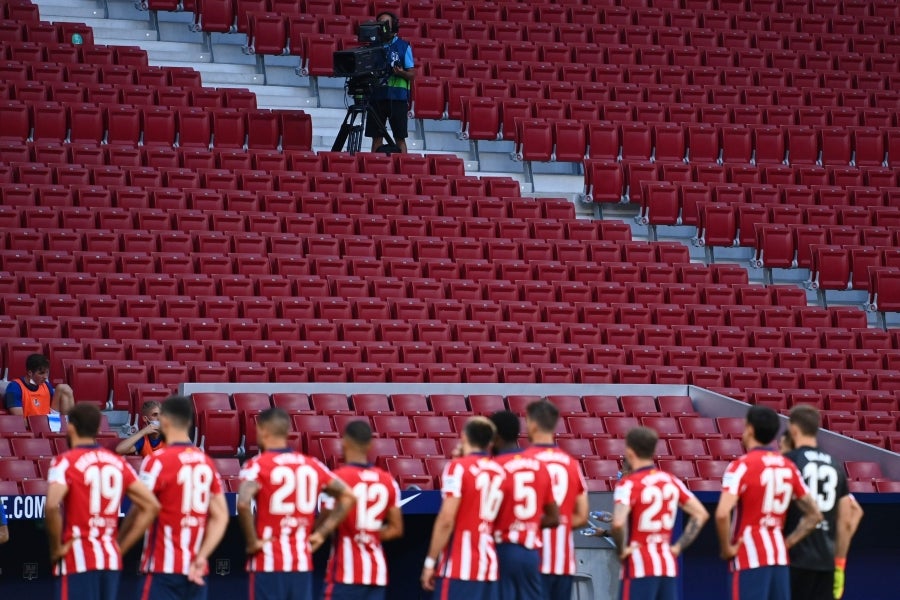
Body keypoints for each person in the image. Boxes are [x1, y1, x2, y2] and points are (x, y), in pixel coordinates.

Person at [238, 408, 356, 600]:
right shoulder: (312, 465)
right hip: (301, 562)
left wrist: (252, 542)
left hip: (268, 561)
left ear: (264, 430)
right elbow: (348, 496)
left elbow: (243, 504)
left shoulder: (257, 465)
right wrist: (321, 533)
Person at [45, 403, 160, 600]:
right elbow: (151, 505)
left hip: (77, 557)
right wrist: (121, 545)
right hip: (110, 559)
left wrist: (56, 548)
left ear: (71, 428)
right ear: (98, 429)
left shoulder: (65, 461)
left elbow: (51, 506)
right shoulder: (117, 462)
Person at [715, 405, 824, 600]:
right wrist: (787, 543)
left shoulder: (741, 466)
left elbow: (723, 513)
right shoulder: (788, 466)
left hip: (749, 556)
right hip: (779, 557)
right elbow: (815, 514)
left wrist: (726, 549)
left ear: (749, 429)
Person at [131, 395, 229, 600]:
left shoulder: (156, 462)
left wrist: (121, 547)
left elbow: (141, 511)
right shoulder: (206, 463)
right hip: (197, 569)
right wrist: (202, 556)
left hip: (162, 569)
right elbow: (221, 516)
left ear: (165, 421)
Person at [610, 427, 709, 600]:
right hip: (667, 565)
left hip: (638, 564)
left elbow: (618, 524)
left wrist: (622, 550)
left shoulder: (628, 484)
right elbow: (701, 514)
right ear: (654, 451)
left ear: (629, 451)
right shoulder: (671, 480)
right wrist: (678, 546)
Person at [420, 417, 505, 600]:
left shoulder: (457, 467)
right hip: (489, 566)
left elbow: (446, 520)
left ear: (463, 436)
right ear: (490, 442)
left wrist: (429, 562)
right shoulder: (500, 471)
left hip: (459, 567)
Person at [784, 405, 864, 600]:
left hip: (794, 558)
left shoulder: (789, 461)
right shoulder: (835, 464)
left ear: (794, 429)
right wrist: (839, 563)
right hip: (826, 561)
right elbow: (846, 521)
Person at [321, 421, 404, 600]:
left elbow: (323, 523)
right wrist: (369, 533)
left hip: (345, 572)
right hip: (376, 573)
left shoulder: (337, 479)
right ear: (370, 445)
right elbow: (396, 529)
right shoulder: (388, 480)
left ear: (344, 442)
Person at [488, 410, 559, 600]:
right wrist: (527, 524)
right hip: (530, 553)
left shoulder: (494, 467)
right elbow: (554, 518)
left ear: (495, 436)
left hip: (501, 550)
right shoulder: (539, 466)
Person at [525, 400, 589, 600]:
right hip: (563, 562)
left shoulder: (525, 462)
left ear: (533, 424)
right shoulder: (571, 464)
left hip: (530, 561)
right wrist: (561, 523)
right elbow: (582, 517)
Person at [366, 11, 415, 153]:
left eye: (385, 23)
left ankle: (403, 170)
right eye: (380, 23)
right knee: (376, 137)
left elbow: (412, 74)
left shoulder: (404, 46)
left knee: (400, 138)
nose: (382, 26)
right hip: (376, 97)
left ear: (394, 26)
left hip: (398, 98)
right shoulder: (372, 47)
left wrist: (400, 73)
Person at [5, 353, 74, 424]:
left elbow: (56, 408)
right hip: (31, 426)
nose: (45, 377)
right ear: (30, 373)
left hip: (50, 423)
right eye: (41, 373)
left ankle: (71, 426)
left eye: (47, 373)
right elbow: (20, 421)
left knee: (64, 388)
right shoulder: (14, 387)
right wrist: (42, 424)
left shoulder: (46, 385)